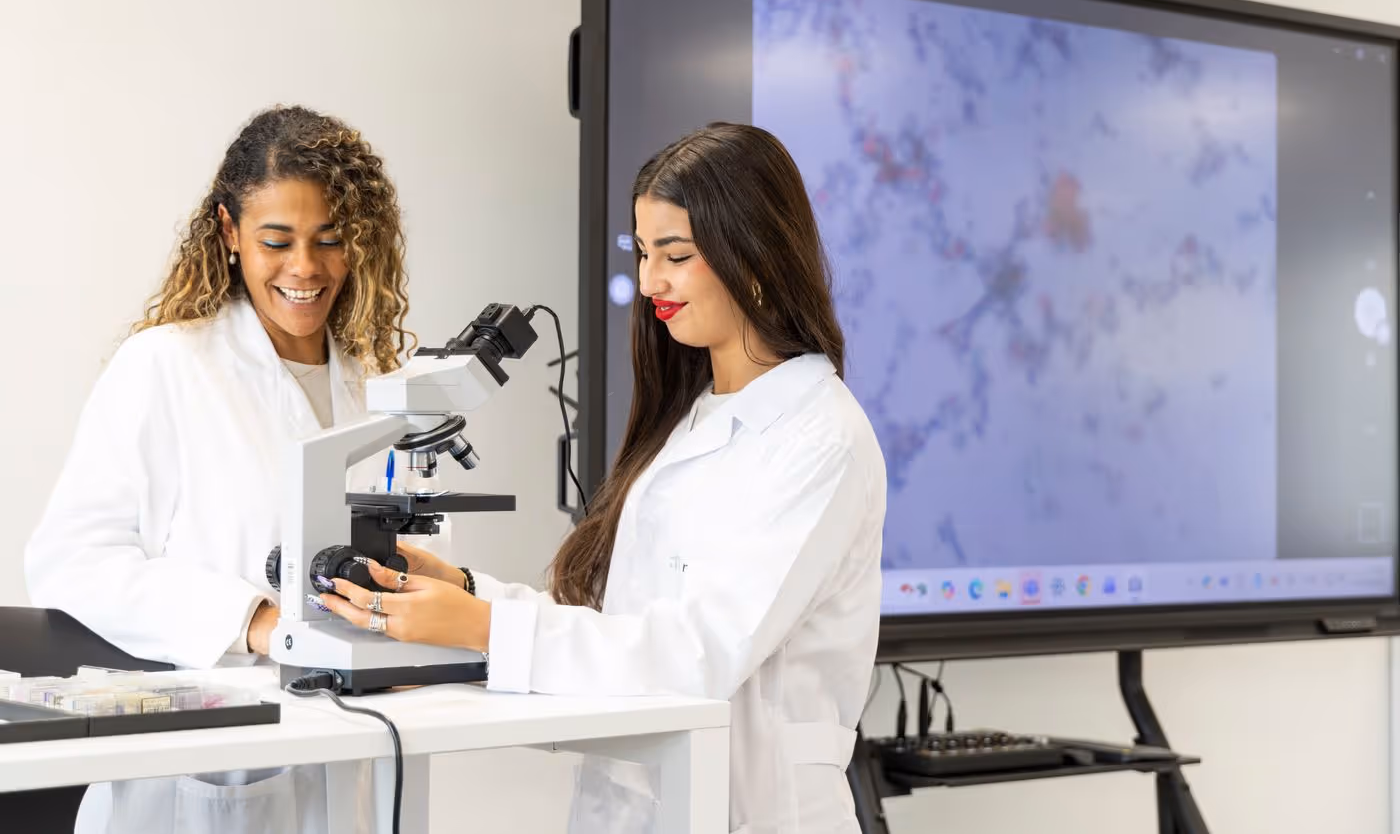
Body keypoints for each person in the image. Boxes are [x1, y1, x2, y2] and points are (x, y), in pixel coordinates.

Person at [316, 122, 888, 834]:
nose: (649, 283)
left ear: (756, 254)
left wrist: (489, 628)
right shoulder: (694, 418)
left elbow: (697, 652)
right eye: (644, 254)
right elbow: (618, 625)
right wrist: (467, 593)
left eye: (675, 255)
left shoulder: (820, 436)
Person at [25, 105, 413, 834]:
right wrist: (252, 621)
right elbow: (70, 560)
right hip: (195, 786)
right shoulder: (167, 365)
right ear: (230, 233)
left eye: (329, 241)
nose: (305, 268)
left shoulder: (373, 385)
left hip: (348, 763)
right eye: (278, 240)